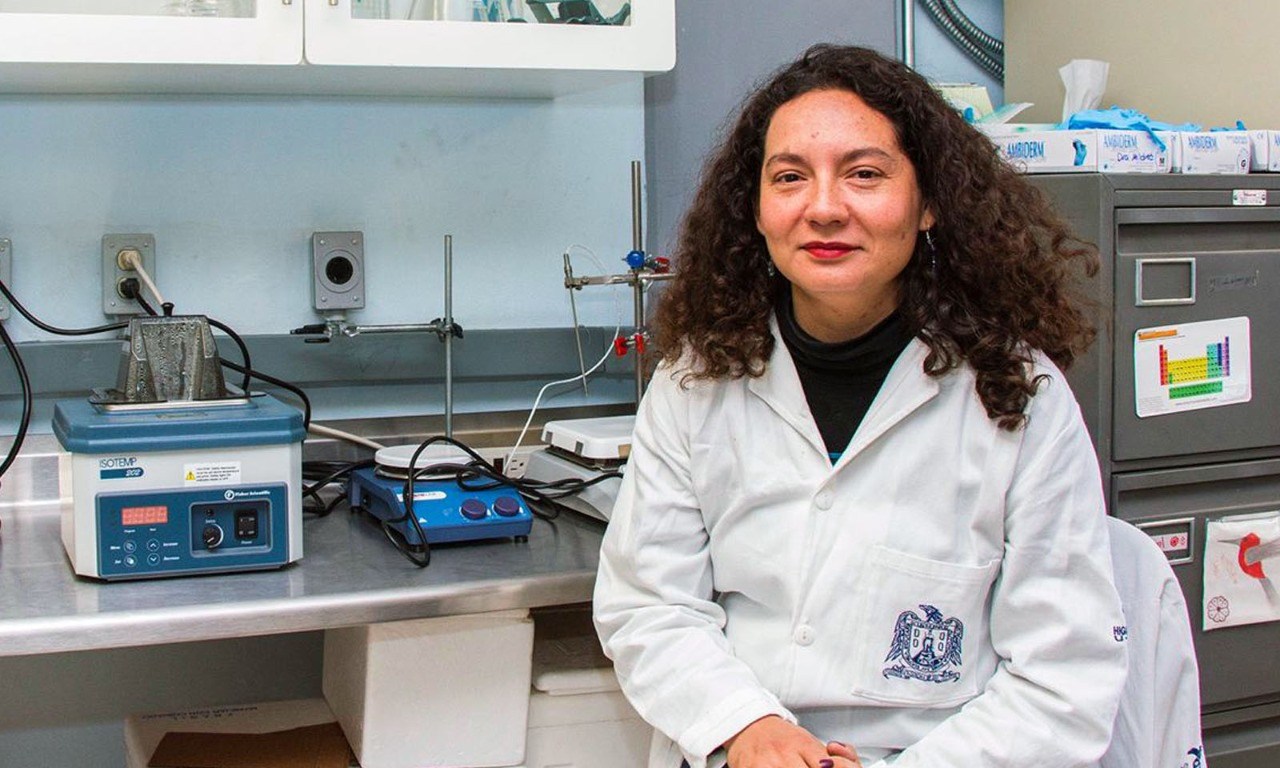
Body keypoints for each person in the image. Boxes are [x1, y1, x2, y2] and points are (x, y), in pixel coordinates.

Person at [592, 44, 1128, 768]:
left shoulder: (1018, 396)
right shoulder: (696, 383)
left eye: (864, 174)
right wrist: (750, 728)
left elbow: (1063, 676)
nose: (823, 208)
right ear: (756, 211)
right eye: (789, 177)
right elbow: (649, 605)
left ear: (929, 203)